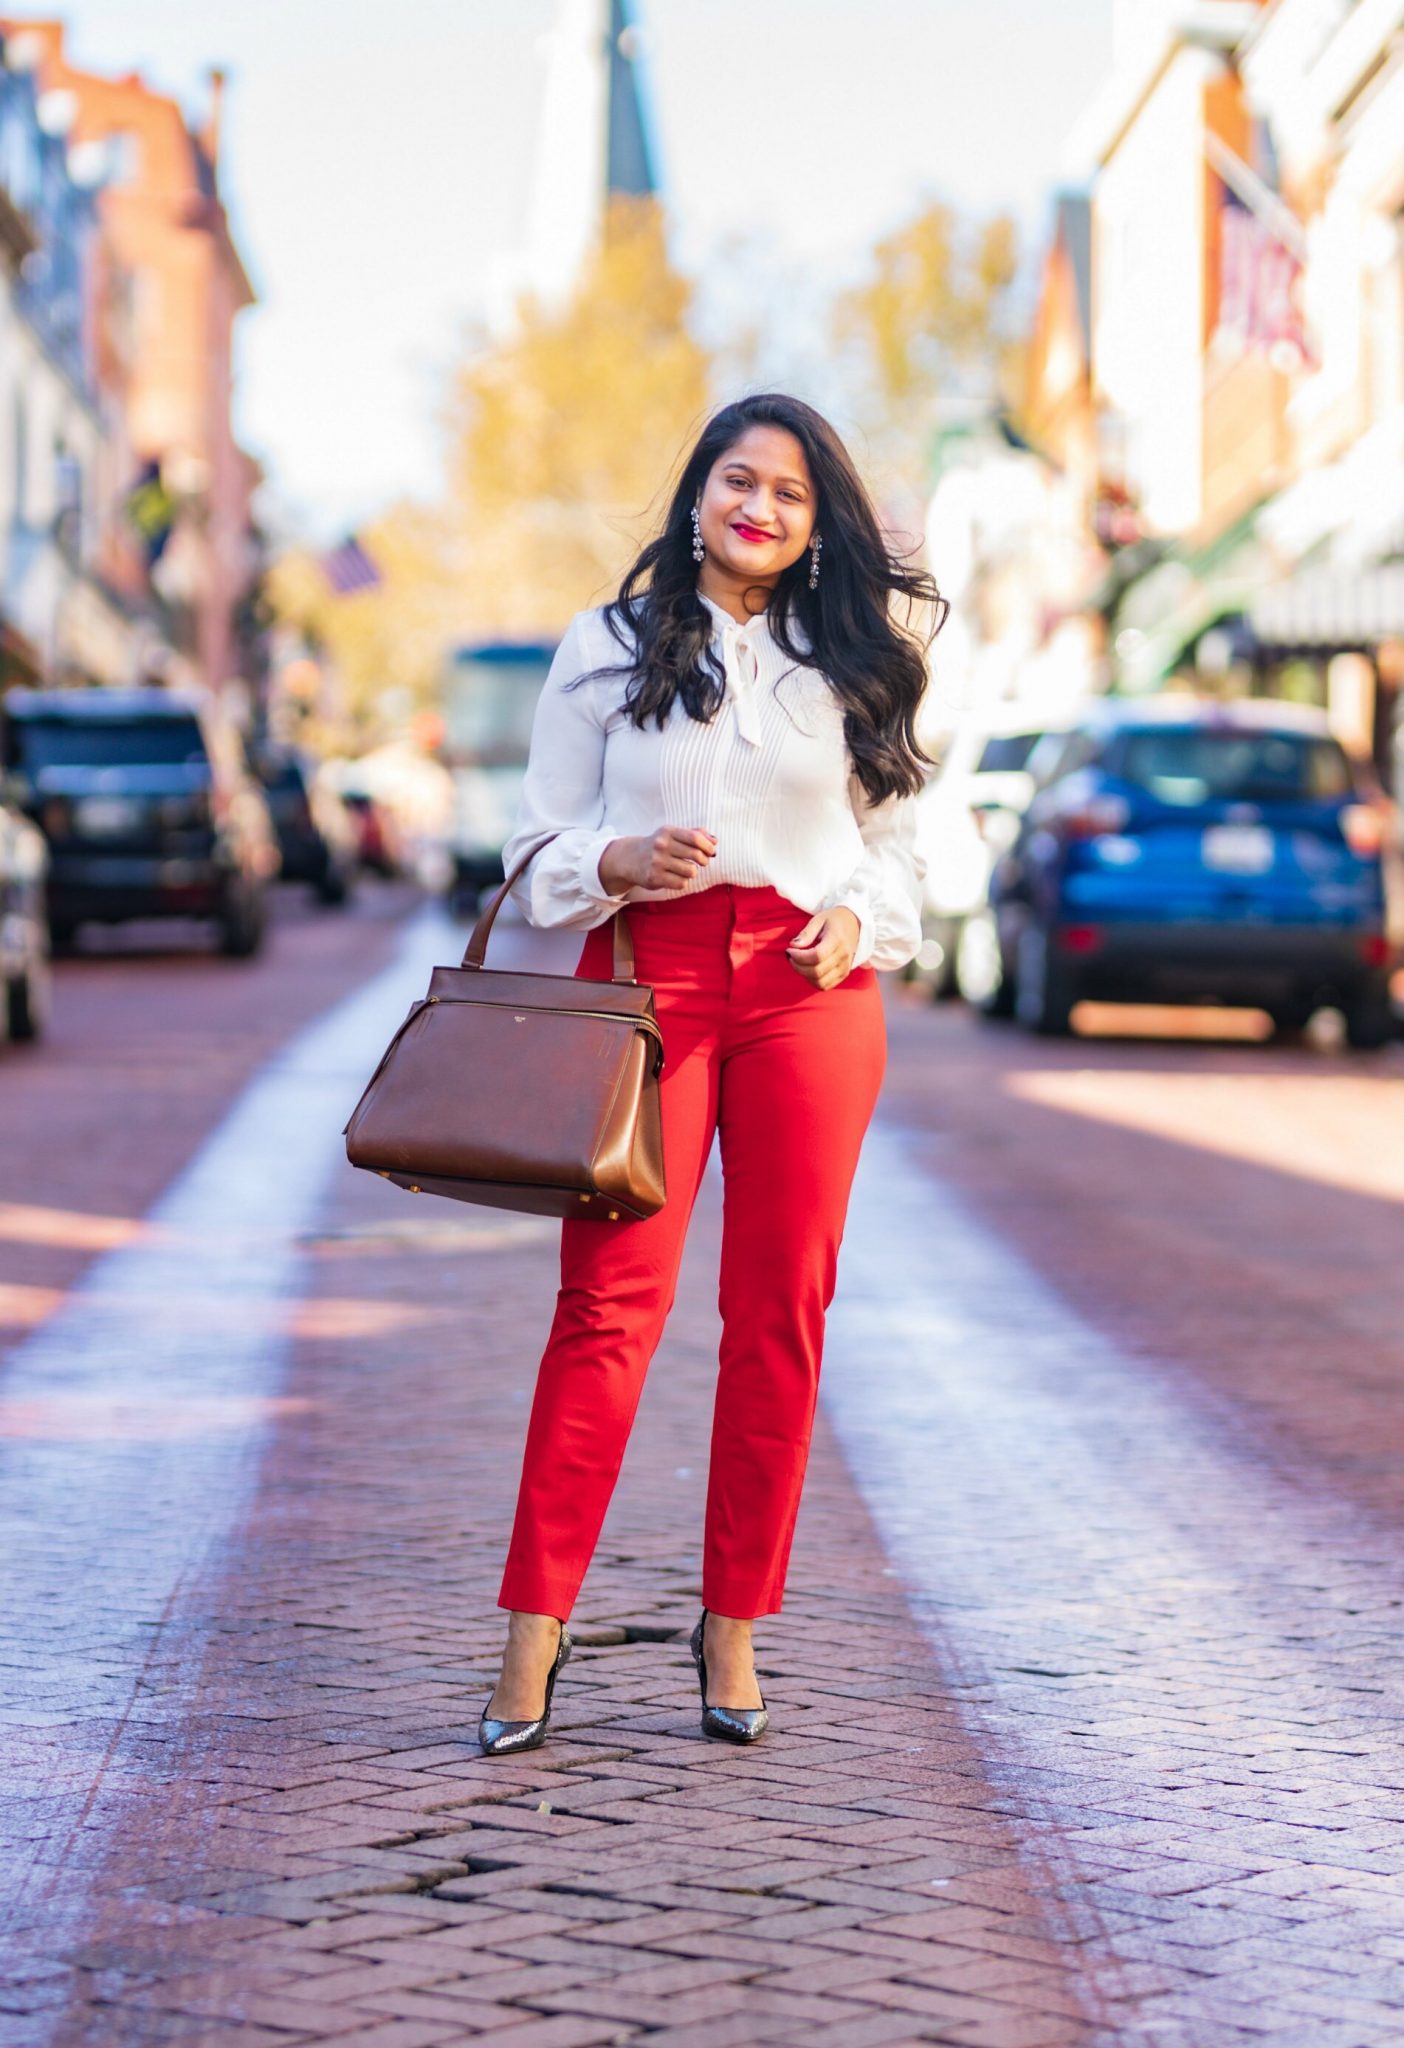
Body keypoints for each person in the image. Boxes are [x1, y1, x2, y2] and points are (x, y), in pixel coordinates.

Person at [478, 392, 946, 1755]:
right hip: (648, 986)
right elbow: (532, 846)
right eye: (740, 480)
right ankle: (531, 1635)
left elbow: (900, 845)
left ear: (816, 528)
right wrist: (610, 864)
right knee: (607, 1311)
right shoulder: (605, 648)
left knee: (781, 1315)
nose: (763, 506)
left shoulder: (851, 657)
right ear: (697, 495)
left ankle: (733, 1625)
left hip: (812, 992)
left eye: (792, 494)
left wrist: (863, 918)